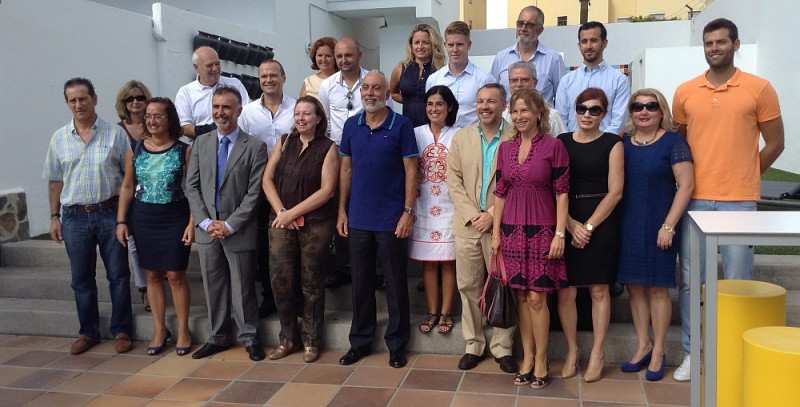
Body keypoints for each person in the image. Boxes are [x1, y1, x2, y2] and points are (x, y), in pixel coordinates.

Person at [671, 18, 784, 382]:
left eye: (721, 42)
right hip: (695, 200)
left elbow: (776, 143)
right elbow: (679, 145)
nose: (714, 48)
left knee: (738, 280)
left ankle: (735, 353)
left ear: (736, 45)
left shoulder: (759, 88)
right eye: (709, 43)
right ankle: (693, 353)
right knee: (691, 282)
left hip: (739, 203)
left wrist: (749, 174)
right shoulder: (686, 91)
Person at [43, 77, 134, 355]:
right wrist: (54, 216)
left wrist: (121, 219)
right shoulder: (59, 138)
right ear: (67, 103)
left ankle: (121, 330)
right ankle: (88, 331)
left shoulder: (115, 135)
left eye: (83, 98)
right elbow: (55, 180)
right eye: (72, 100)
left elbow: (128, 178)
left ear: (94, 99)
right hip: (74, 217)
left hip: (108, 212)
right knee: (81, 278)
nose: (78, 104)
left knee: (118, 275)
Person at [336, 70, 418, 369]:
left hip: (391, 219)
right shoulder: (351, 125)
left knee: (395, 283)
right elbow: (346, 170)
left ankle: (397, 345)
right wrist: (342, 210)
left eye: (377, 88)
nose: (370, 93)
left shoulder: (401, 125)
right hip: (358, 218)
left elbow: (412, 171)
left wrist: (408, 212)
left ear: (387, 93)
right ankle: (360, 342)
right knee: (360, 283)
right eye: (366, 88)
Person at [492, 88, 569, 389]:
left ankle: (542, 359)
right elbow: (499, 193)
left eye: (525, 110)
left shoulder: (554, 146)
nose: (519, 116)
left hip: (543, 230)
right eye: (515, 111)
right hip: (511, 230)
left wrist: (560, 233)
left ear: (539, 112)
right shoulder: (505, 148)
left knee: (538, 298)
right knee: (521, 297)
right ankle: (527, 357)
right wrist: (497, 233)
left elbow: (562, 194)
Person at [184, 86, 267, 362]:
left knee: (243, 287)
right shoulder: (201, 143)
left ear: (239, 111)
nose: (221, 112)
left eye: (227, 107)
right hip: (208, 230)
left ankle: (249, 338)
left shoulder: (254, 146)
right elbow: (191, 187)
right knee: (214, 286)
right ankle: (217, 337)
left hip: (238, 230)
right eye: (216, 107)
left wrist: (230, 225)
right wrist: (206, 222)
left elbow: (254, 193)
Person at [617, 89, 694, 381]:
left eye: (651, 106)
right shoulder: (623, 143)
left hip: (659, 225)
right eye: (637, 106)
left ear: (661, 111)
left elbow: (686, 186)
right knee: (634, 287)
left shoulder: (674, 143)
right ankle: (643, 345)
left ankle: (659, 349)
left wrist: (668, 226)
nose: (644, 111)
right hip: (627, 223)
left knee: (658, 288)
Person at [446, 83, 518, 374]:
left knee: (504, 284)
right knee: (468, 286)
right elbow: (454, 180)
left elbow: (517, 182)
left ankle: (503, 347)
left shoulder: (516, 137)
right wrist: (473, 214)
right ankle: (473, 344)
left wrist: (490, 215)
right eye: (479, 101)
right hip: (467, 225)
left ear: (504, 105)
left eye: (491, 101)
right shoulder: (461, 137)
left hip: (501, 225)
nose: (484, 106)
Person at [262, 96, 339, 363]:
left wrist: (294, 212)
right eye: (297, 113)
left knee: (311, 282)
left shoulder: (329, 148)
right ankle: (287, 339)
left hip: (316, 223)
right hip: (281, 221)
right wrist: (283, 212)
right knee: (280, 281)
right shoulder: (283, 142)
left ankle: (311, 340)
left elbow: (327, 190)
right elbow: (267, 179)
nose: (301, 118)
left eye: (307, 114)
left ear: (319, 118)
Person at [116, 97, 195, 356]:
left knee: (175, 275)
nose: (151, 120)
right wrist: (121, 221)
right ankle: (160, 329)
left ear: (169, 119)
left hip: (174, 216)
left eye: (158, 116)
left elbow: (194, 190)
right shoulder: (136, 148)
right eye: (148, 116)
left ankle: (183, 329)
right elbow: (128, 186)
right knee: (152, 275)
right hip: (144, 217)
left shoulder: (184, 150)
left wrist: (193, 222)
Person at [556, 87, 623, 383]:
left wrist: (589, 227)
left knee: (598, 289)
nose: (587, 114)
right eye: (582, 108)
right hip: (566, 216)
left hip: (602, 221)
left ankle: (597, 352)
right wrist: (570, 225)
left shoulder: (612, 143)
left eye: (595, 110)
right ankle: (572, 350)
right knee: (566, 290)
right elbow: (553, 187)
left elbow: (616, 191)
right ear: (575, 110)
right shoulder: (561, 142)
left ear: (604, 114)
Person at [239, 59, 296, 317]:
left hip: (293, 185)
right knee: (264, 245)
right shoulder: (248, 113)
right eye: (264, 76)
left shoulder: (296, 108)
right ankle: (269, 298)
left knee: (292, 244)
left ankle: (295, 298)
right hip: (259, 186)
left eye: (274, 75)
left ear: (284, 77)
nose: (269, 80)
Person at [318, 36, 369, 289]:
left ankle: (374, 267)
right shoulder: (327, 86)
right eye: (339, 56)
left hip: (369, 150)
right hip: (339, 152)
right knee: (341, 205)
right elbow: (324, 121)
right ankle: (343, 266)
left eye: (348, 55)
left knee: (368, 202)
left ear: (359, 55)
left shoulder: (372, 82)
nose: (343, 60)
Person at [410, 85, 460, 335]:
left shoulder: (459, 134)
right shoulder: (415, 133)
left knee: (448, 262)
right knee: (429, 264)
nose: (434, 109)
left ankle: (446, 312)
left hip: (452, 207)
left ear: (449, 107)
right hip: (423, 205)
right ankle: (431, 312)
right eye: (430, 104)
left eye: (439, 104)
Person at [114, 80, 152, 312]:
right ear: (124, 103)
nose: (135, 102)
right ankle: (145, 288)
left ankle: (157, 279)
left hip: (157, 193)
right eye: (130, 99)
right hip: (130, 193)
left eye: (140, 98)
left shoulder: (156, 124)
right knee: (134, 245)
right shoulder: (118, 131)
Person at [555, 22, 630, 135]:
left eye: (594, 40)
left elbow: (619, 121)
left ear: (604, 43)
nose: (589, 46)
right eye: (584, 41)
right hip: (571, 148)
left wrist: (599, 144)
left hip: (607, 148)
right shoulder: (566, 81)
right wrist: (573, 142)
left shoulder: (619, 80)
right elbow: (561, 121)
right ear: (579, 45)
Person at [490, 5, 564, 106]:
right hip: (508, 120)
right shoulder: (501, 58)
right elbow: (493, 94)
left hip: (542, 120)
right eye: (520, 24)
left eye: (529, 25)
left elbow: (561, 98)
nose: (523, 28)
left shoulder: (553, 59)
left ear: (540, 30)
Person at [426, 21, 493, 130]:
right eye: (451, 45)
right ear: (445, 46)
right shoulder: (433, 80)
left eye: (460, 44)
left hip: (472, 141)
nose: (455, 50)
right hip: (443, 142)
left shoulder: (484, 79)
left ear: (469, 45)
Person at [175, 46, 251, 139]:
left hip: (236, 141)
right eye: (209, 65)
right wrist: (211, 130)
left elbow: (248, 113)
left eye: (217, 64)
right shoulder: (186, 93)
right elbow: (184, 127)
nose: (215, 69)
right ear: (196, 67)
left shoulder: (235, 84)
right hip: (204, 146)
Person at [390, 23, 446, 127]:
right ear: (411, 45)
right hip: (408, 125)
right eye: (417, 42)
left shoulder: (440, 70)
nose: (420, 46)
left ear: (433, 45)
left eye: (425, 42)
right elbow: (393, 93)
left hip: (433, 126)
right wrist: (410, 101)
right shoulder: (401, 68)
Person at [502, 61, 566, 136]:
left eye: (524, 80)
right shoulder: (502, 114)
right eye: (514, 80)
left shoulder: (552, 116)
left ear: (535, 82)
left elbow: (561, 145)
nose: (519, 84)